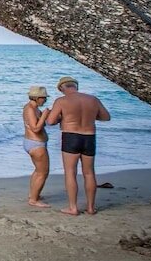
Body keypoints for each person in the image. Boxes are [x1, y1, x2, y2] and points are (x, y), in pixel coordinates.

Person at [45, 76, 111, 215]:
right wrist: (90, 116)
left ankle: (73, 208)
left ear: (62, 88)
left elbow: (50, 121)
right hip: (89, 137)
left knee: (70, 172)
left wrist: (62, 117)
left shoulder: (61, 101)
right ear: (76, 86)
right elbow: (106, 117)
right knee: (89, 173)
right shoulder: (93, 99)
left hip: (71, 136)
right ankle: (91, 208)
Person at [22, 85, 51, 208]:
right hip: (36, 144)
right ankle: (33, 200)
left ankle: (33, 195)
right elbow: (35, 128)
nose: (45, 100)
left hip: (34, 143)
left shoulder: (34, 108)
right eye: (44, 98)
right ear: (37, 98)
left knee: (38, 170)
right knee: (43, 172)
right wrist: (44, 115)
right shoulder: (30, 109)